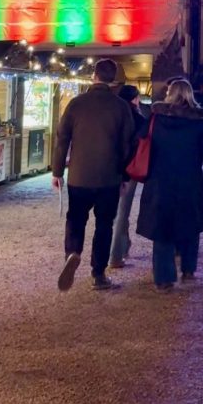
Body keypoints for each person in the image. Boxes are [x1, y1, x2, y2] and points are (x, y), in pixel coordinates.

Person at [52, 59, 135, 291]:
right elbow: (127, 144)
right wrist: (124, 174)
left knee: (76, 218)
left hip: (79, 175)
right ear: (113, 79)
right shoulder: (121, 107)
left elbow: (62, 140)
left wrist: (57, 171)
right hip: (109, 176)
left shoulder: (76, 104)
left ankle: (73, 252)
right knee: (104, 224)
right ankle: (98, 274)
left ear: (94, 76)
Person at [136, 77, 203, 291]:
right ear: (190, 95)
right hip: (189, 179)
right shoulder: (200, 120)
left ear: (170, 94)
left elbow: (141, 139)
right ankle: (188, 269)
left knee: (162, 227)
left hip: (160, 179)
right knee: (190, 223)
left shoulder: (156, 118)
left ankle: (164, 278)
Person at [109, 84, 149, 269]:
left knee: (114, 211)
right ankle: (116, 254)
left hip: (109, 168)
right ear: (134, 99)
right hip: (129, 170)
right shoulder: (138, 118)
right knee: (122, 212)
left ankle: (123, 246)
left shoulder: (113, 115)